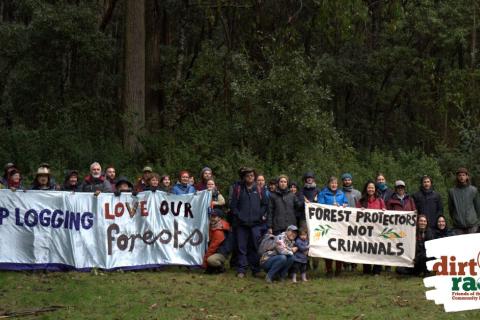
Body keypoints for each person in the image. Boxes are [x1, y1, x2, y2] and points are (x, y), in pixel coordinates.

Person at [229, 167, 268, 278]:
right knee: (241, 247)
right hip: (241, 224)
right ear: (244, 177)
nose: (250, 177)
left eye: (251, 175)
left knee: (255, 246)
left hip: (256, 224)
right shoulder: (238, 189)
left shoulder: (260, 189)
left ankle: (256, 269)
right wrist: (239, 215)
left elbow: (265, 204)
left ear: (254, 176)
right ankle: (241, 269)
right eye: (247, 175)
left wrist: (259, 215)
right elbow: (233, 206)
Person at [318, 176, 348, 277]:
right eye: (332, 183)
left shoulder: (341, 193)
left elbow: (346, 204)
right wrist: (331, 206)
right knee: (328, 246)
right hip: (327, 224)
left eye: (335, 183)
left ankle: (339, 269)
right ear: (328, 184)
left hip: (339, 225)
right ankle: (329, 270)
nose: (334, 185)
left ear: (337, 184)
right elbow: (320, 206)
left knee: (339, 246)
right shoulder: (323, 193)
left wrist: (344, 205)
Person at [356, 180, 386, 275]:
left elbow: (385, 214)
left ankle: (377, 270)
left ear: (375, 189)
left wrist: (384, 211)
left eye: (372, 188)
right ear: (366, 189)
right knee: (366, 249)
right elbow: (355, 216)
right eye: (369, 187)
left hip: (377, 230)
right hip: (365, 230)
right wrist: (360, 211)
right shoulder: (361, 201)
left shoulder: (380, 200)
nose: (371, 189)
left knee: (377, 249)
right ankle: (367, 270)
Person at [448, 167, 480, 235]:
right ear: (457, 177)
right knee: (460, 245)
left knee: (473, 245)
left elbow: (478, 207)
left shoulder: (473, 190)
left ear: (467, 176)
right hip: (458, 226)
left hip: (472, 225)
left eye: (463, 175)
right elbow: (451, 209)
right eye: (459, 175)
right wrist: (456, 218)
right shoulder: (452, 192)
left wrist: (473, 219)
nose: (461, 177)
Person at [203, 209, 232, 274]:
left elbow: (213, 247)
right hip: (216, 251)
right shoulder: (214, 226)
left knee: (210, 260)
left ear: (219, 218)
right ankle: (212, 268)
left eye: (214, 217)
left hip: (222, 253)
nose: (212, 218)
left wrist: (205, 262)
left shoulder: (219, 231)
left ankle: (221, 269)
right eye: (211, 216)